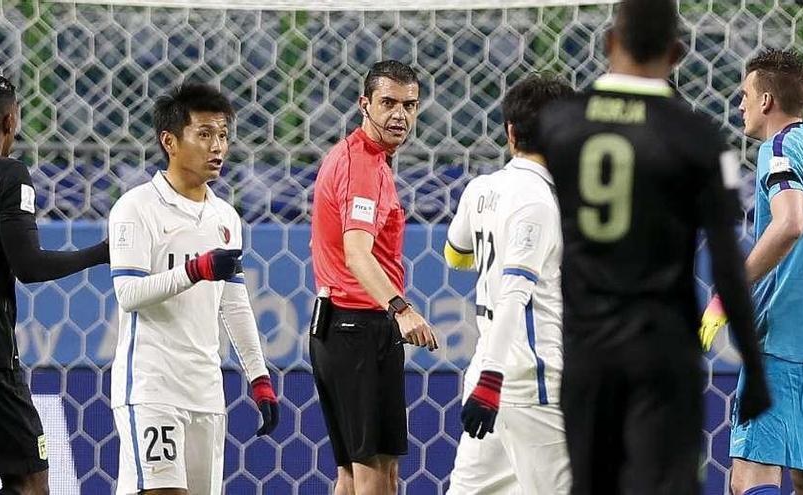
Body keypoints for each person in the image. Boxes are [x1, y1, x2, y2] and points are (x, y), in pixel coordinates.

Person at [536, 0, 771, 493]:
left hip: (587, 351)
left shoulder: (558, 125)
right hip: (662, 351)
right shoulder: (697, 136)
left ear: (607, 44)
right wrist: (752, 361)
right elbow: (728, 260)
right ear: (679, 54)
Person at [108, 84, 278, 495]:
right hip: (151, 386)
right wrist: (196, 269)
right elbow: (128, 294)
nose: (217, 146)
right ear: (170, 141)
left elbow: (234, 304)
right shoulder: (136, 208)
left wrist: (259, 378)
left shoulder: (225, 217)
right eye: (204, 134)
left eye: (222, 134)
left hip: (205, 391)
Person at [699, 48, 803, 495]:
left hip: (786, 346)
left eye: (744, 94)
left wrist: (728, 294)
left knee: (749, 479)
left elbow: (791, 222)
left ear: (766, 101)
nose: (739, 105)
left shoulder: (778, 147)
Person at [0, 73, 109, 495]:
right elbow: (27, 266)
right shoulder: (8, 174)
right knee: (29, 481)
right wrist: (99, 253)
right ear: (10, 122)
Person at [309, 60, 439, 495]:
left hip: (348, 326)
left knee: (361, 473)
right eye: (388, 103)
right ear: (364, 104)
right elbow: (357, 253)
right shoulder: (362, 165)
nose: (399, 115)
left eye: (410, 105)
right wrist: (400, 309)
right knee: (373, 476)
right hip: (356, 327)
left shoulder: (368, 159)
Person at [444, 73, 573, 495]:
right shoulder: (538, 201)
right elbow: (514, 294)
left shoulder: (481, 188)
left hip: (489, 370)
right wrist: (492, 382)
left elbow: (456, 253)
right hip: (531, 382)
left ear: (510, 132)